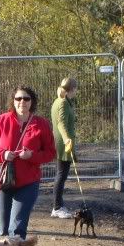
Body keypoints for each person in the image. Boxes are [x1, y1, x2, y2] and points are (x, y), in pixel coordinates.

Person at [0, 86, 56, 239]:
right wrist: (2, 154)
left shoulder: (41, 124)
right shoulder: (2, 120)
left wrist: (31, 156)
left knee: (17, 228)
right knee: (3, 228)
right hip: (4, 181)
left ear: (32, 101)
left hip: (28, 182)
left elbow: (51, 153)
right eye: (18, 98)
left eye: (26, 98)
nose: (22, 102)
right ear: (13, 101)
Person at [50, 77, 78, 218]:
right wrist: (67, 138)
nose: (76, 91)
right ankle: (57, 207)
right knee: (61, 175)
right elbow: (61, 123)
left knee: (61, 175)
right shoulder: (62, 103)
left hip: (63, 142)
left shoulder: (61, 101)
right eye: (75, 89)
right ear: (71, 89)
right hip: (63, 144)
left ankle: (59, 204)